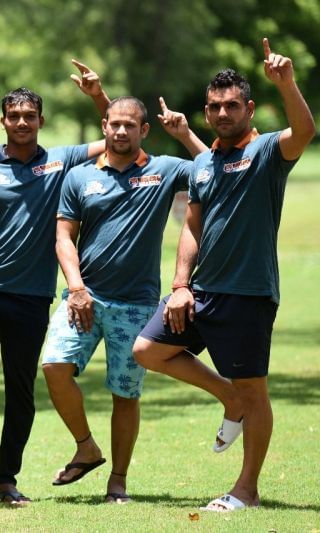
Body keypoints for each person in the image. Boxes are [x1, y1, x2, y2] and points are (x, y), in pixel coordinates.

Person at [133, 38, 315, 512]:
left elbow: (305, 130)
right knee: (147, 350)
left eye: (232, 106)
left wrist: (288, 83)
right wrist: (179, 286)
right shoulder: (203, 164)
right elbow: (192, 226)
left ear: (249, 109)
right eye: (214, 107)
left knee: (256, 391)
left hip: (247, 295)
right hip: (200, 293)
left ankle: (247, 491)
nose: (222, 113)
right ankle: (227, 398)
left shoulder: (269, 153)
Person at [0, 61, 110, 507]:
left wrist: (97, 97)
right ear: (3, 121)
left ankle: (6, 481)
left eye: (30, 116)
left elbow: (117, 135)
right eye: (14, 116)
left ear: (40, 121)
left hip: (31, 296)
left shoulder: (59, 162)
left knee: (20, 389)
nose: (22, 123)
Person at [41, 95, 207, 504]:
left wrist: (185, 134)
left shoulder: (165, 170)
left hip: (136, 304)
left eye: (129, 125)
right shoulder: (79, 178)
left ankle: (118, 481)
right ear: (104, 126)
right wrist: (76, 288)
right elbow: (64, 237)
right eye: (114, 124)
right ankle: (86, 446)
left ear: (143, 130)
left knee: (125, 394)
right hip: (85, 296)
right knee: (54, 367)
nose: (120, 131)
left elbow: (214, 169)